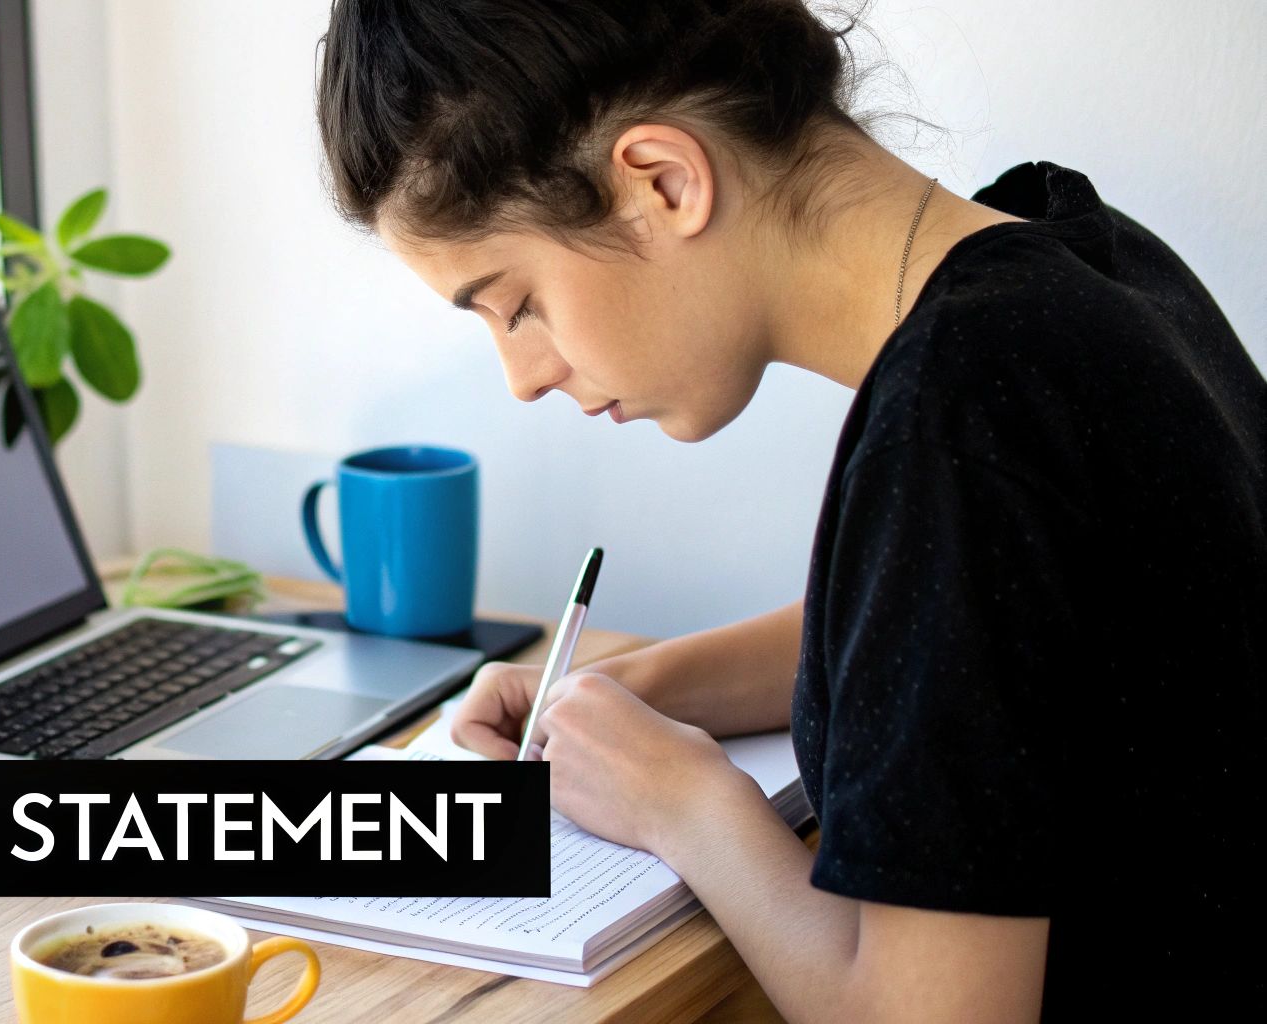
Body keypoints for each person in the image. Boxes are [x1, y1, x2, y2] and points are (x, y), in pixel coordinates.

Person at [315, 0, 1265, 1019]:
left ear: (661, 182)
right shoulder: (1072, 259)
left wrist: (684, 804)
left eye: (514, 304)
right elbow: (965, 644)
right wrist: (637, 688)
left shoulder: (958, 421)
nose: (520, 375)